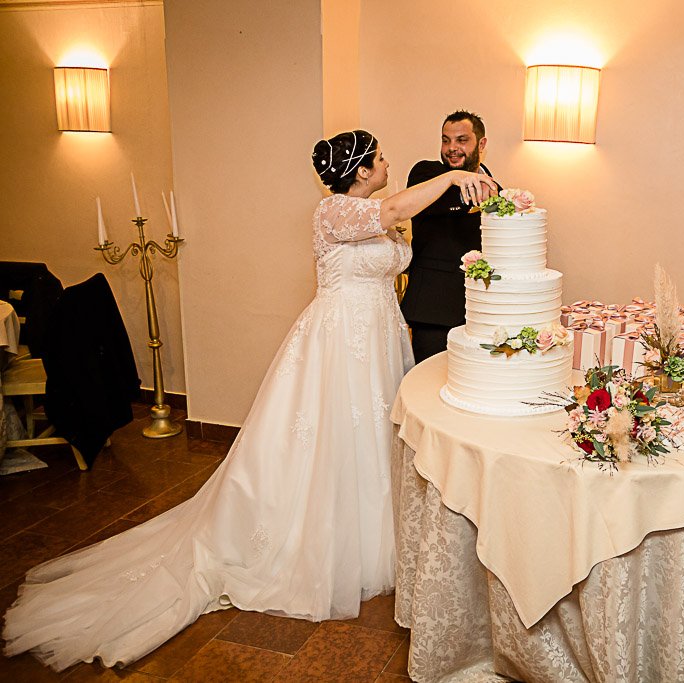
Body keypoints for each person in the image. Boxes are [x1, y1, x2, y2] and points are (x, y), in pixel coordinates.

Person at [2, 130, 496, 671]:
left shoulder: (374, 210)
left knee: (374, 442)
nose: (386, 165)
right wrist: (449, 175)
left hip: (379, 338)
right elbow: (396, 207)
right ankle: (309, 543)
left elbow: (395, 226)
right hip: (338, 343)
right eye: (378, 160)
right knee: (331, 440)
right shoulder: (332, 212)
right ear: (359, 171)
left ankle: (371, 539)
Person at [400, 110, 499, 362]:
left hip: (481, 314)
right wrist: (475, 185)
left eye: (461, 140)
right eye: (446, 140)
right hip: (432, 310)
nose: (451, 148)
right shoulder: (426, 174)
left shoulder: (498, 190)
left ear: (482, 144)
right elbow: (447, 199)